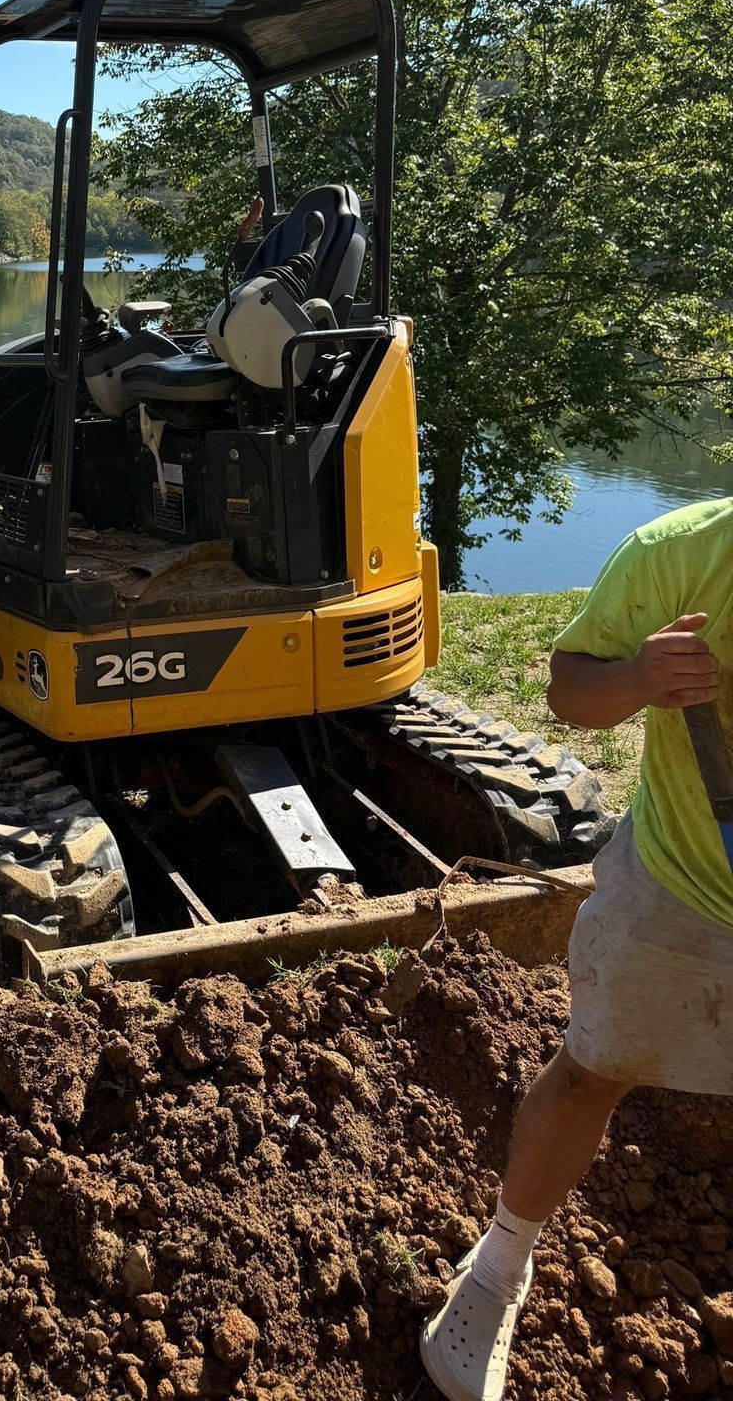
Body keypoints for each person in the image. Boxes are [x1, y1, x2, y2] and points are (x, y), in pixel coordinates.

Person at [419, 499, 733, 1401]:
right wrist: (639, 674)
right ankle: (497, 1267)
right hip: (682, 891)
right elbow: (568, 692)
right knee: (592, 1071)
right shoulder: (679, 555)